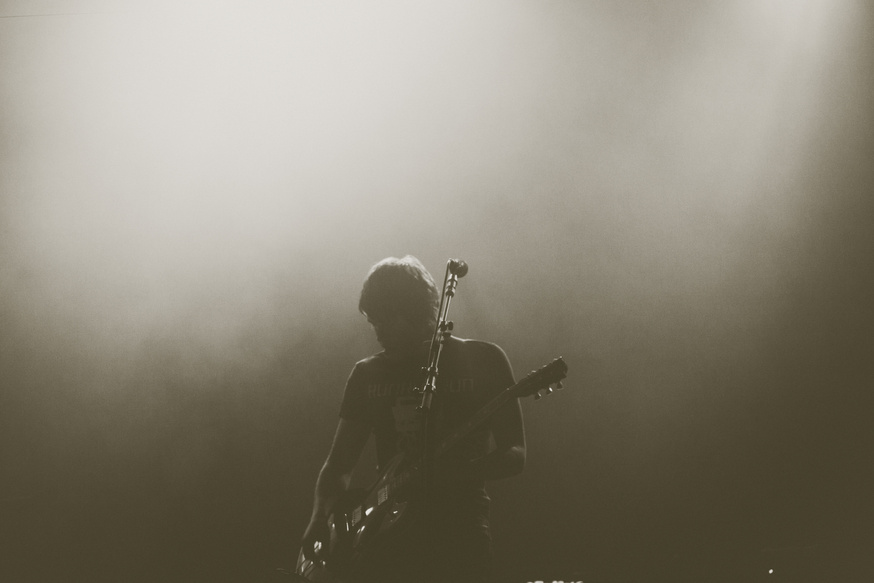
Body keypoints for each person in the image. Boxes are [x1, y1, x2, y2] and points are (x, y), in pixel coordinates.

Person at [300, 256, 526, 583]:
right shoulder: (367, 374)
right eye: (372, 321)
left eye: (385, 319)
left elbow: (516, 453)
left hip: (460, 533)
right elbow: (338, 465)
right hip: (386, 540)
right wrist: (319, 516)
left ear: (415, 310)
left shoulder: (483, 360)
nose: (377, 331)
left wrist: (454, 473)